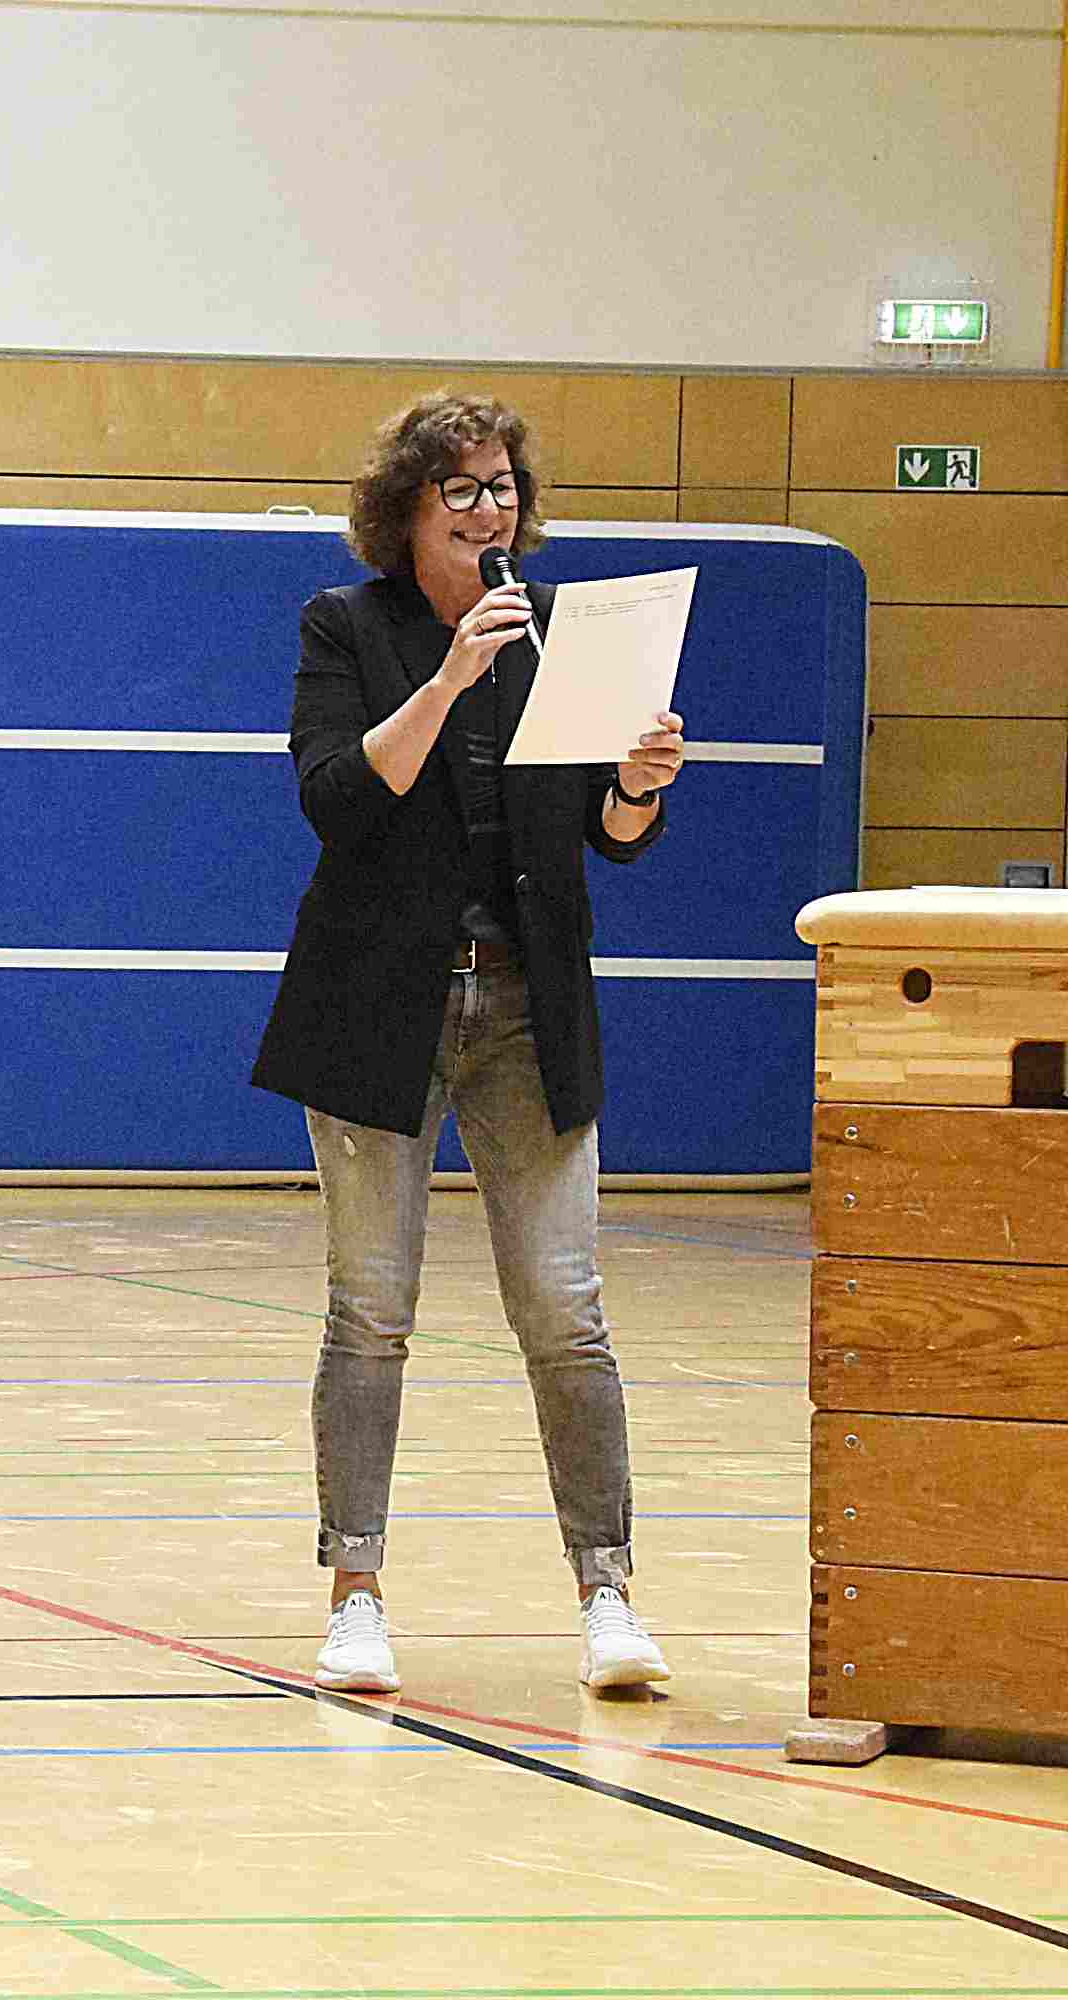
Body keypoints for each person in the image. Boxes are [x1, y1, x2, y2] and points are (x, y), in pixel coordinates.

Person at [249, 392, 686, 1696]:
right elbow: (338, 796)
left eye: (502, 488)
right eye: (463, 491)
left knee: (565, 1310)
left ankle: (607, 1593)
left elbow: (605, 838)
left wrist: (637, 787)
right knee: (370, 1310)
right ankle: (356, 1593)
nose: (490, 511)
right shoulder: (347, 626)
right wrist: (448, 678)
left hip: (526, 1010)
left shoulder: (563, 635)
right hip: (377, 1003)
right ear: (408, 510)